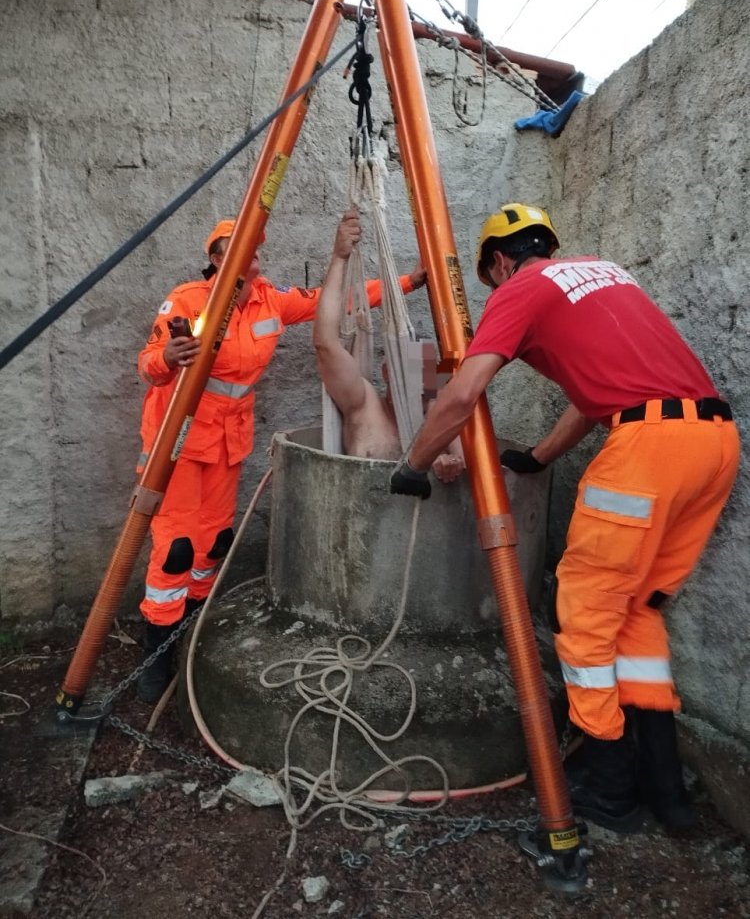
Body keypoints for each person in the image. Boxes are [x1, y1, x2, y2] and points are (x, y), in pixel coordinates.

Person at [389, 202, 740, 834]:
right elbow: (601, 392)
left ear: (498, 261)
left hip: (647, 455)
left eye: (489, 276)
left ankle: (607, 791)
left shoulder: (519, 289)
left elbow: (465, 392)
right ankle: (669, 795)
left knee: (580, 616)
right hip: (713, 446)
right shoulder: (605, 274)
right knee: (635, 611)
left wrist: (414, 463)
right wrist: (539, 456)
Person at [135, 211, 426, 702]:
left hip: (228, 441)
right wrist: (168, 358)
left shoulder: (271, 299)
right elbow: (150, 363)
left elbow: (340, 301)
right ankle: (156, 657)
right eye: (230, 248)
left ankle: (190, 633)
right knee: (176, 548)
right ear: (214, 257)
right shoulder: (188, 300)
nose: (244, 256)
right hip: (182, 441)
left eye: (250, 248)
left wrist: (408, 283)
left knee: (213, 544)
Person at [313, 208, 465, 481]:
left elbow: (469, 476)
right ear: (387, 373)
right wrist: (339, 258)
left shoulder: (440, 422)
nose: (417, 389)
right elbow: (325, 343)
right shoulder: (363, 403)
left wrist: (449, 464)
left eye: (425, 380)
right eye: (408, 376)